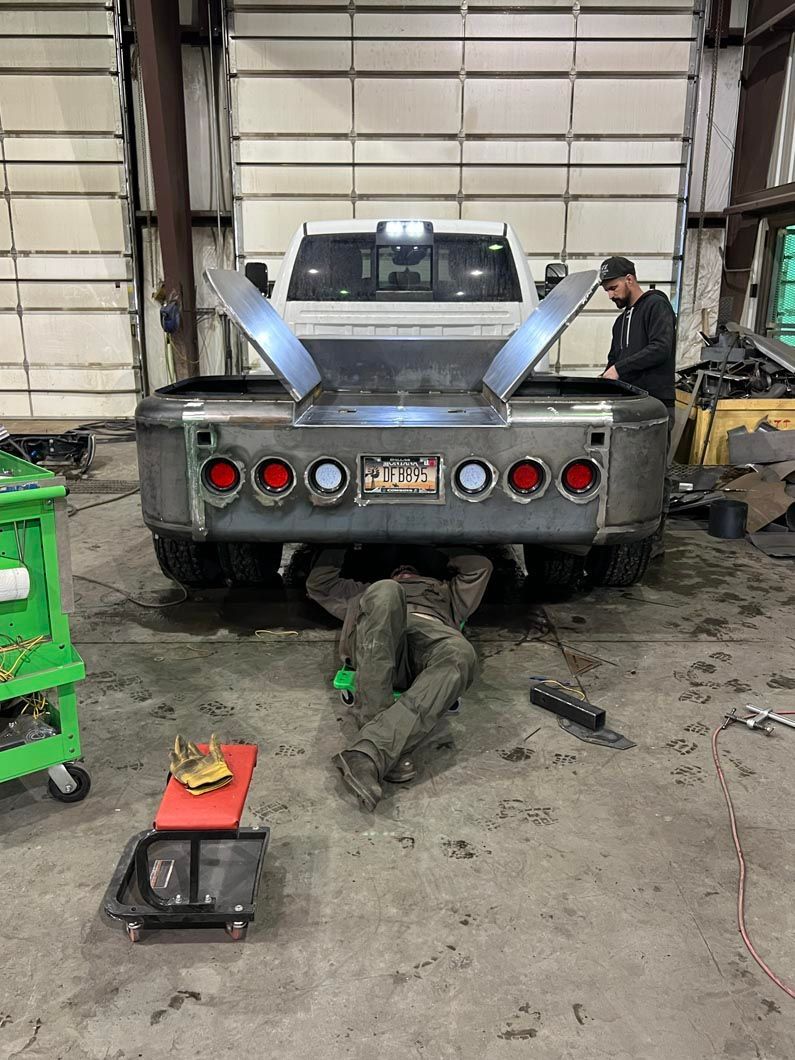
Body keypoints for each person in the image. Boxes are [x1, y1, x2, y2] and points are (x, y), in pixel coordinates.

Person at [306, 547, 493, 811]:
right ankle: (382, 747)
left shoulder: (445, 592)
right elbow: (319, 584)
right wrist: (341, 540)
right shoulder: (367, 591)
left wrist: (438, 539)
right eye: (398, 570)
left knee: (461, 653)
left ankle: (371, 752)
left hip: (430, 644)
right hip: (380, 638)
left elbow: (480, 567)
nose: (404, 570)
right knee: (386, 591)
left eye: (410, 569)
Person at [599, 256, 677, 553]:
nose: (610, 295)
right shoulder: (621, 322)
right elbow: (613, 361)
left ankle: (654, 540)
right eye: (606, 290)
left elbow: (661, 348)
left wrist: (620, 369)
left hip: (655, 404)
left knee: (655, 473)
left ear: (630, 279)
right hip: (628, 407)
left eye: (613, 288)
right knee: (625, 471)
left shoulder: (656, 306)